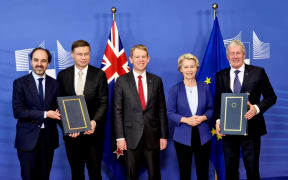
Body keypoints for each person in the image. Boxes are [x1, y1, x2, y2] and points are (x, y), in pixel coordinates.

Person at [214, 40, 277, 180]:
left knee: (252, 168)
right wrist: (218, 120)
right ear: (227, 56)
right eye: (232, 53)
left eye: (238, 53)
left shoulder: (258, 72)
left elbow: (271, 97)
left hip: (252, 129)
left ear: (243, 55)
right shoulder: (220, 75)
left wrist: (256, 108)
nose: (235, 56)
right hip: (228, 130)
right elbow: (218, 101)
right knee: (230, 169)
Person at [113, 44, 169, 180]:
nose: (140, 60)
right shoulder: (121, 81)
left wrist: (163, 135)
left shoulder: (156, 81)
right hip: (130, 136)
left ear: (148, 59)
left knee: (154, 174)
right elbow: (117, 111)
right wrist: (120, 137)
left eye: (143, 57)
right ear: (131, 60)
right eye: (137, 57)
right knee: (131, 174)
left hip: (153, 135)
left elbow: (161, 109)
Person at [57, 40, 108, 180]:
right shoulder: (63, 76)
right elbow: (59, 105)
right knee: (76, 173)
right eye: (80, 54)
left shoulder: (99, 74)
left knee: (95, 173)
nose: (84, 57)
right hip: (72, 137)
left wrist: (94, 122)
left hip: (94, 135)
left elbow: (104, 103)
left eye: (86, 54)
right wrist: (67, 128)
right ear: (72, 55)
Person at [12, 47, 61, 180]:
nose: (39, 64)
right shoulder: (20, 83)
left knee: (44, 177)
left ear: (48, 63)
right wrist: (45, 114)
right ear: (31, 61)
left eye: (43, 61)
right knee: (28, 177)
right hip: (27, 140)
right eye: (36, 60)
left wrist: (73, 127)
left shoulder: (55, 84)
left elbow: (59, 112)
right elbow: (18, 111)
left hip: (48, 140)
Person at [167, 53, 213, 180]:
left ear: (197, 68)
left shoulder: (205, 87)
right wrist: (186, 120)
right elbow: (170, 112)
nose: (189, 70)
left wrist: (203, 118)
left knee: (203, 172)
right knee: (184, 172)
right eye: (186, 67)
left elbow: (211, 109)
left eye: (192, 67)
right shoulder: (174, 89)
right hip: (182, 136)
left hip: (203, 135)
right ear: (180, 69)